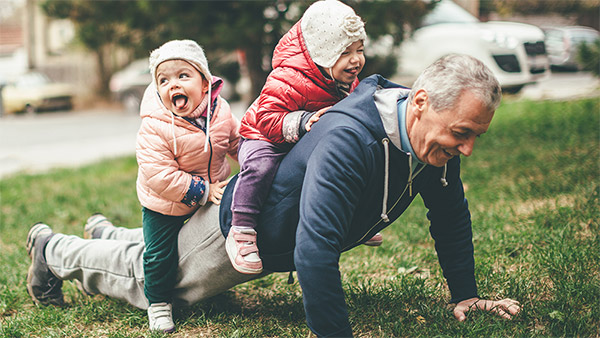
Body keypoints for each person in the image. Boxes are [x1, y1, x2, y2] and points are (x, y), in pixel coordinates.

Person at [26, 54, 521, 337]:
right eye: (461, 133)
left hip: (262, 228)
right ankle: (52, 251)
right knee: (148, 280)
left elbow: (450, 214)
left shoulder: (430, 139)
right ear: (420, 103)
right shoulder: (352, 139)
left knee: (155, 251)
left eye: (475, 135)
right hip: (239, 231)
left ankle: (109, 233)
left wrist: (466, 295)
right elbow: (315, 251)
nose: (467, 149)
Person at [227, 0, 383, 275]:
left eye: (359, 49)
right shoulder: (287, 77)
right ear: (321, 53)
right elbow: (266, 117)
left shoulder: (343, 80)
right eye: (345, 52)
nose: (356, 59)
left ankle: (351, 220)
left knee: (342, 163)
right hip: (264, 136)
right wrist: (299, 121)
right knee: (261, 167)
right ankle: (241, 229)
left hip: (304, 137)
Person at [136, 39, 239, 332]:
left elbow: (234, 141)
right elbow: (159, 175)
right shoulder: (155, 125)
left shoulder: (220, 111)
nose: (173, 85)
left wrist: (252, 156)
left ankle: (214, 283)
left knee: (213, 238)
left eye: (183, 76)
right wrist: (204, 191)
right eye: (163, 80)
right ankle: (158, 303)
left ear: (205, 83)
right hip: (164, 201)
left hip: (211, 188)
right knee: (159, 253)